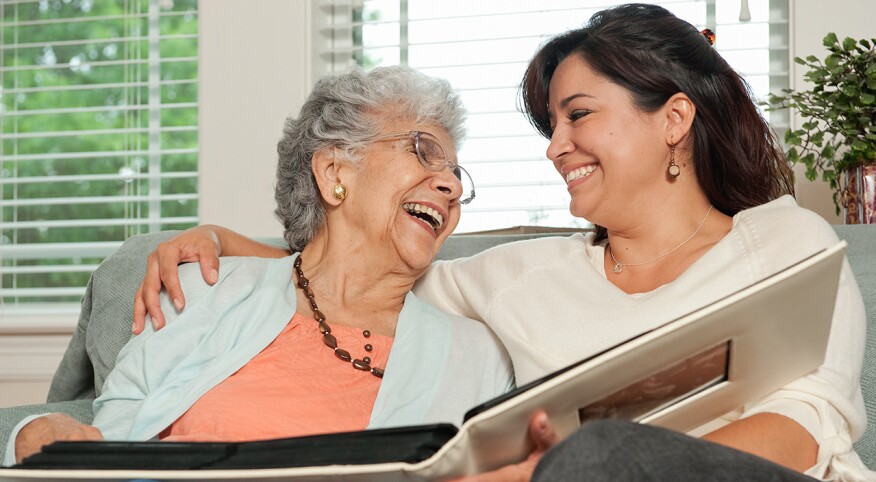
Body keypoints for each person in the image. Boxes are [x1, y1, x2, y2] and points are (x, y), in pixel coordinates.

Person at [131, 4, 871, 481]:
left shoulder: (784, 239)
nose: (557, 146)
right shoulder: (521, 278)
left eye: (578, 115)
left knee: (590, 457)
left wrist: (572, 473)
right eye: (551, 125)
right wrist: (224, 242)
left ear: (673, 119)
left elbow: (811, 422)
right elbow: (366, 266)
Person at [3, 65, 518, 466]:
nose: (450, 186)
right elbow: (107, 433)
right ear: (335, 171)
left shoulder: (476, 353)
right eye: (423, 151)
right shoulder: (204, 291)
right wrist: (32, 433)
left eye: (455, 173)